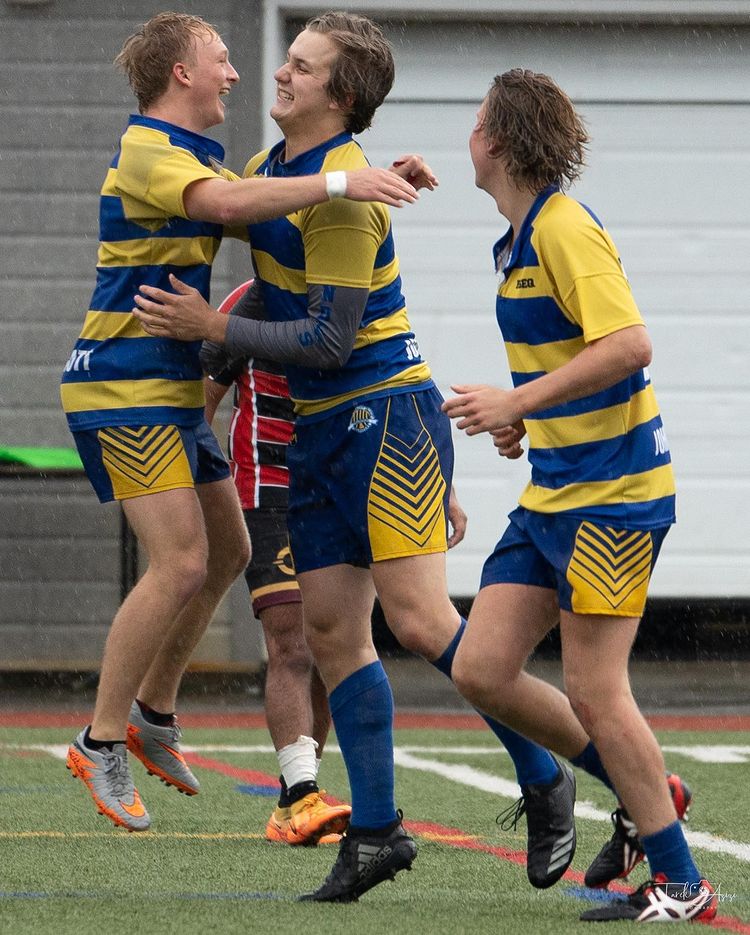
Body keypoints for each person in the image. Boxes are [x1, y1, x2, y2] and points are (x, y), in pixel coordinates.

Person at [133, 12, 587, 902]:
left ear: (339, 95)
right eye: (289, 59)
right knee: (333, 634)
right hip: (321, 430)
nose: (279, 73)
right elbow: (251, 242)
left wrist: (211, 327)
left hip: (384, 418)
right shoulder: (279, 170)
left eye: (301, 67)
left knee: (420, 623)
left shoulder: (341, 196)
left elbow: (329, 339)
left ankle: (550, 774)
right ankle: (377, 834)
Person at [59, 11, 422, 834]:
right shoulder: (150, 149)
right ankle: (99, 739)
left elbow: (266, 211)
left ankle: (154, 712)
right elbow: (233, 202)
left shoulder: (196, 153)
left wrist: (367, 172)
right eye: (221, 60)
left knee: (228, 550)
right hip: (123, 384)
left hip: (166, 386)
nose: (237, 74)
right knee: (181, 560)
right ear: (180, 73)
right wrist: (343, 182)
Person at [442, 69, 716, 923]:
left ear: (498, 140)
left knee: (595, 689)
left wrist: (517, 401)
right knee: (482, 666)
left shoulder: (564, 228)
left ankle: (682, 883)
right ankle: (647, 787)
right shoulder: (514, 243)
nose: (468, 135)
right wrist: (524, 420)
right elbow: (571, 360)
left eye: (476, 121)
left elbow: (630, 344)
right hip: (557, 492)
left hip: (615, 497)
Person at [204, 281, 350, 846]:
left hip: (336, 486)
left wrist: (444, 484)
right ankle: (301, 794)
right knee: (291, 642)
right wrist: (198, 494)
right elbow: (200, 403)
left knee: (332, 646)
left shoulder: (356, 295)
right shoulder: (253, 300)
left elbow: (397, 386)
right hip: (268, 486)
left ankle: (298, 794)